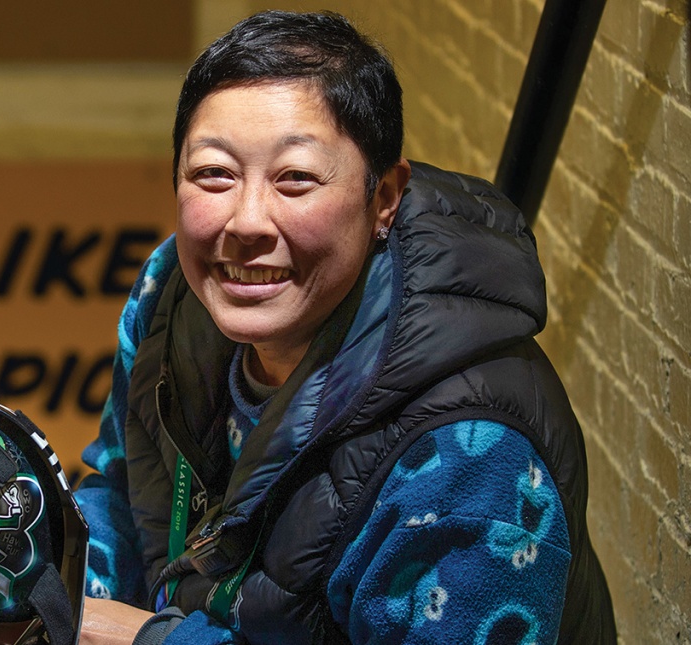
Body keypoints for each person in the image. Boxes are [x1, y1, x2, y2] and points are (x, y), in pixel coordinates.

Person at [73, 9, 616, 645]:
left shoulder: (472, 456)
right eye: (213, 174)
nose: (247, 222)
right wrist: (34, 589)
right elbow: (120, 495)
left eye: (295, 179)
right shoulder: (169, 301)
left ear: (384, 197)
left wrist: (150, 639)